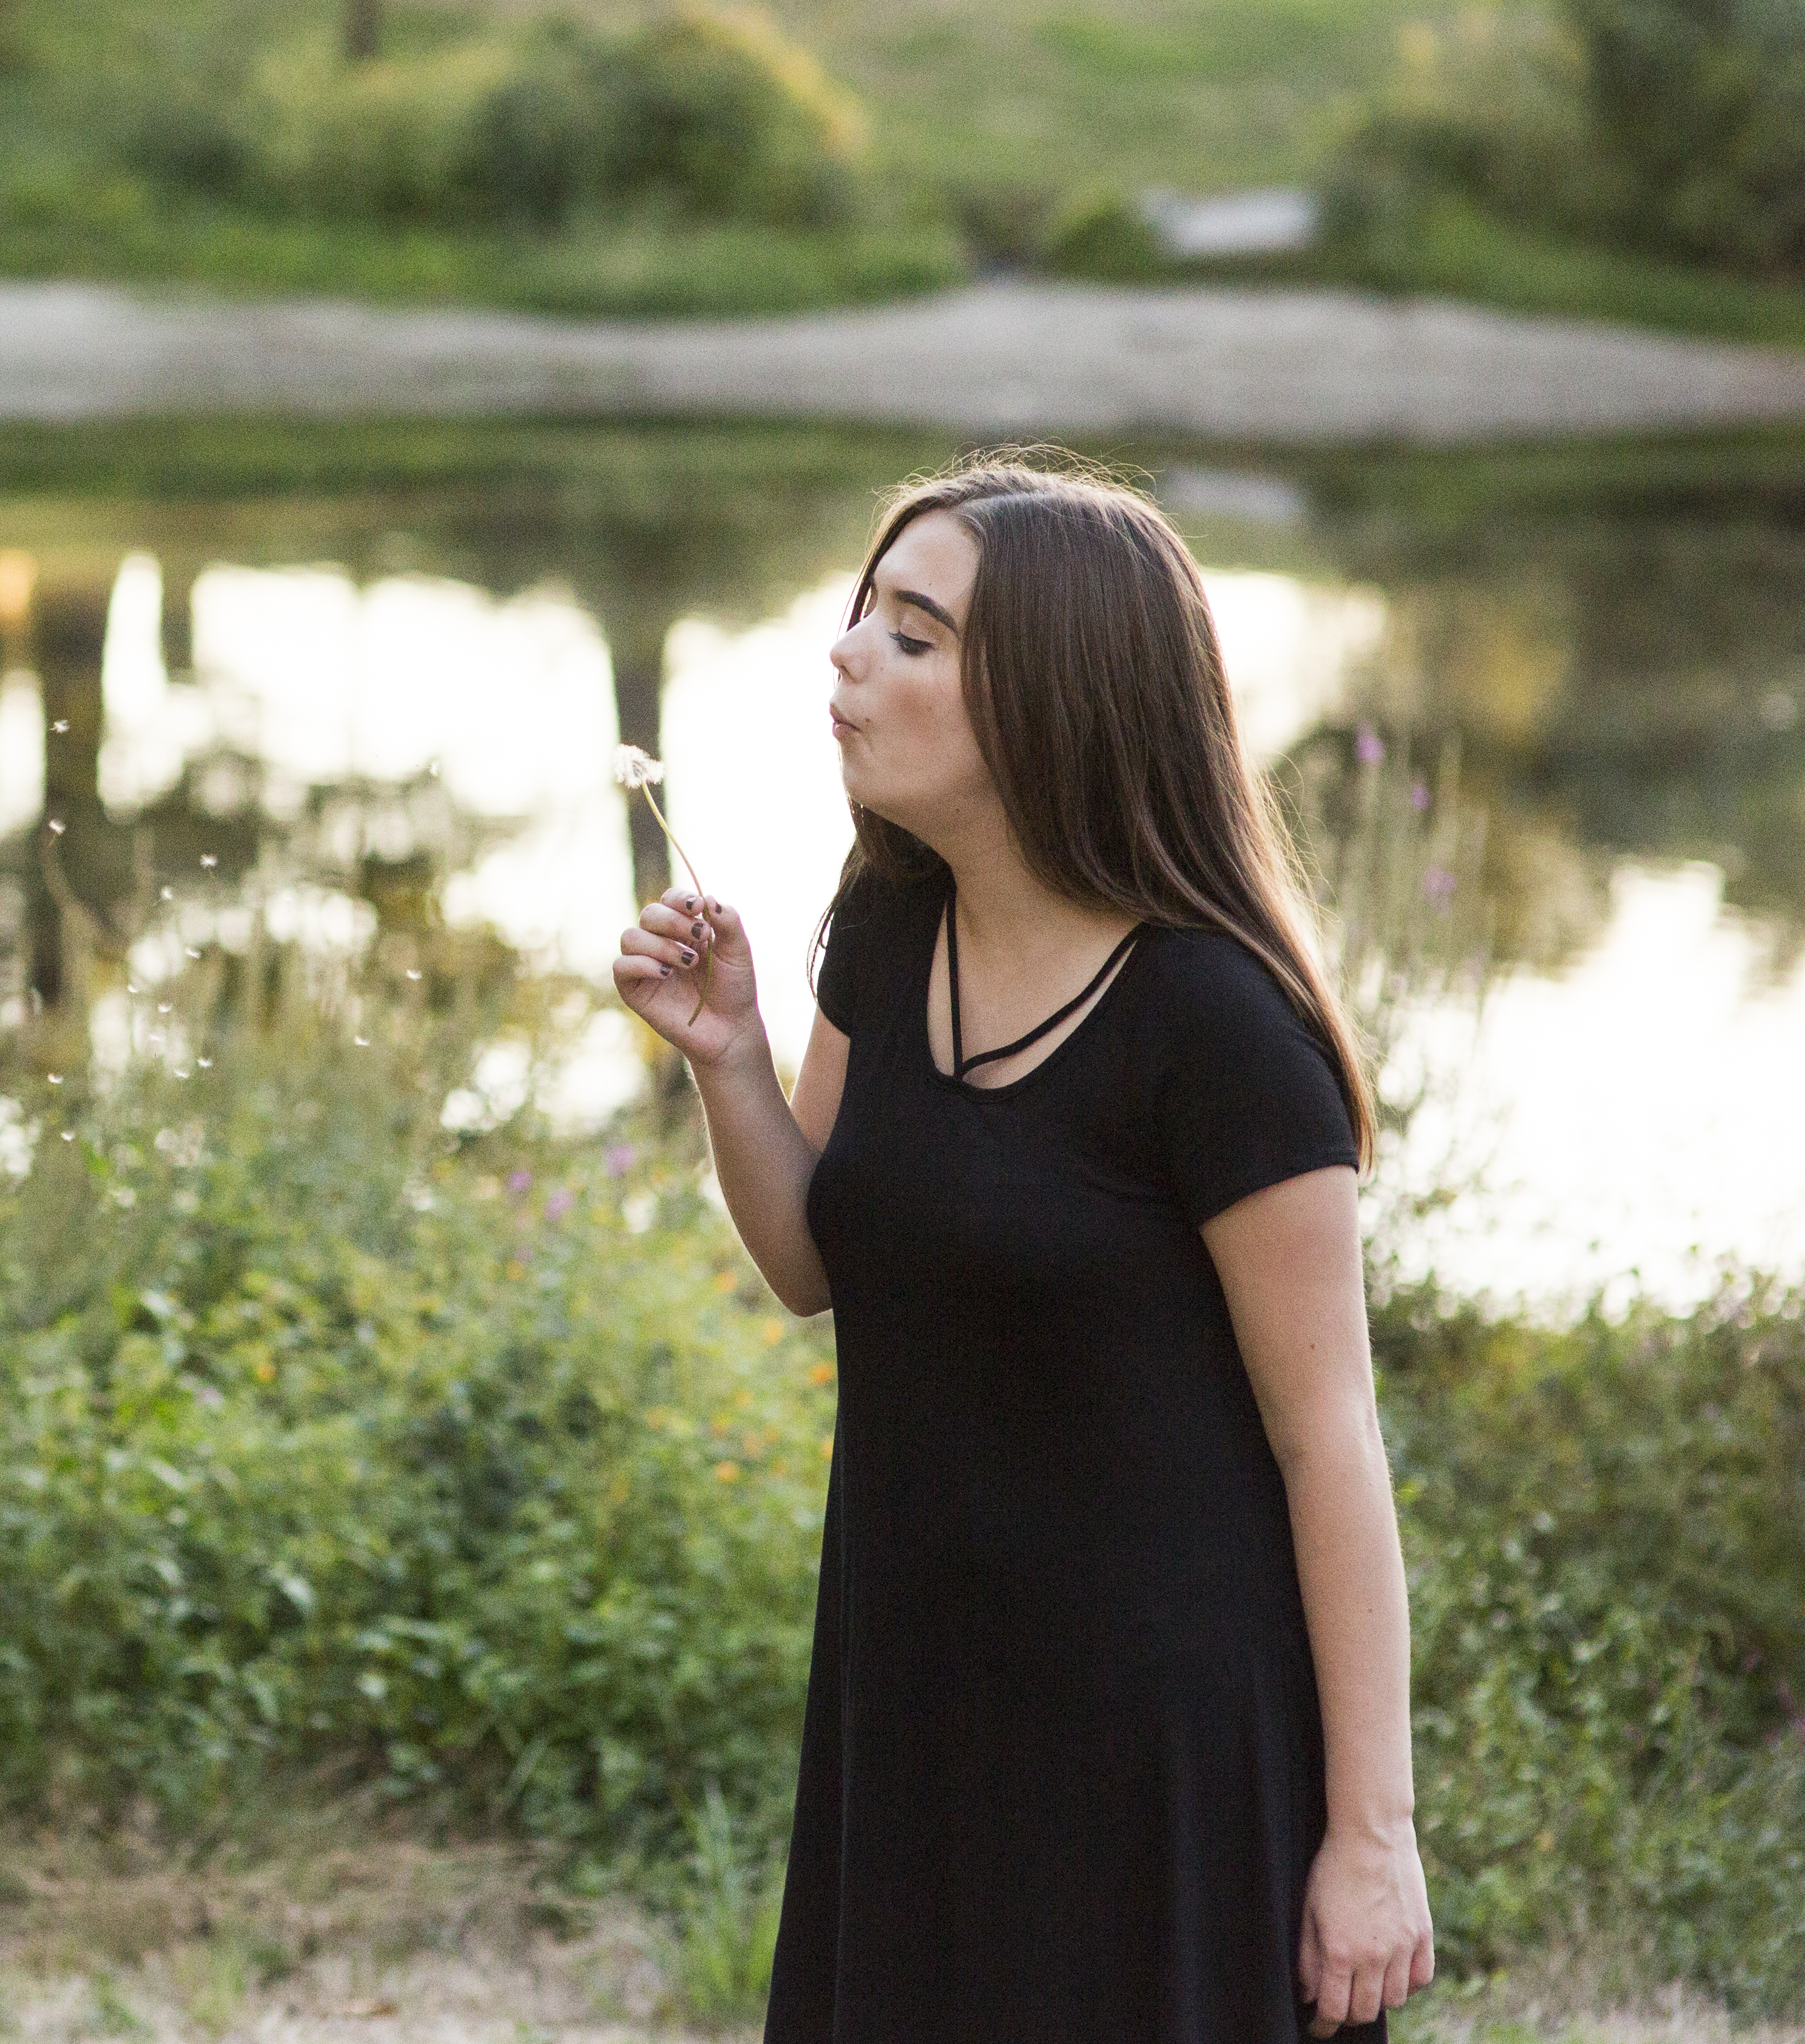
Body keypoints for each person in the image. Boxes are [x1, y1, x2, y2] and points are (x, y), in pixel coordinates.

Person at [611, 453, 1434, 2043]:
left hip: (1163, 1750)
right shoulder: (886, 927)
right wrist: (727, 1056)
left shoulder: (1217, 1029)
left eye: (913, 637)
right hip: (919, 1700)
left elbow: (1328, 1440)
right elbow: (813, 1261)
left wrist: (1369, 1836)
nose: (848, 656)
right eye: (865, 618)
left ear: (1056, 699)